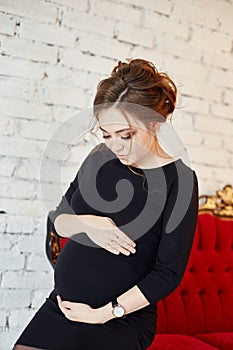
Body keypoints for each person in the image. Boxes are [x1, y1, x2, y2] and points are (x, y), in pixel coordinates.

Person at [13, 58, 199, 350]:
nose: (116, 146)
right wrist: (90, 224)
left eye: (126, 135)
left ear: (155, 122)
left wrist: (104, 314)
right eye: (107, 135)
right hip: (62, 308)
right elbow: (58, 219)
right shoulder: (100, 157)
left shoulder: (180, 180)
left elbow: (168, 274)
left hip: (121, 318)